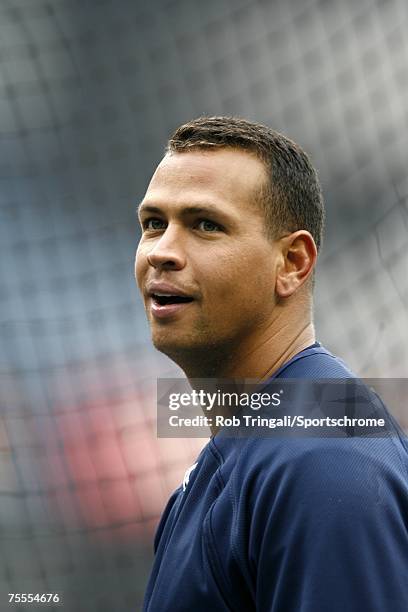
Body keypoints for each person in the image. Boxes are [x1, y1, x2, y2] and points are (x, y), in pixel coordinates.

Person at [135, 116, 408, 611]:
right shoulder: (269, 441)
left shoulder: (324, 462)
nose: (163, 252)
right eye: (154, 223)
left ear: (293, 263)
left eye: (205, 225)